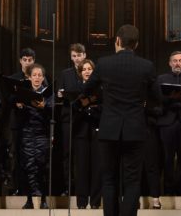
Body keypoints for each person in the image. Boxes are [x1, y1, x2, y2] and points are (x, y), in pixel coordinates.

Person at [83, 24, 158, 216]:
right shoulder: (146, 66)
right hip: (135, 129)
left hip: (109, 128)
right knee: (132, 181)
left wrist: (105, 96)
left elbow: (87, 90)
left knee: (109, 179)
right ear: (136, 44)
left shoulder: (104, 63)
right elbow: (157, 98)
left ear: (117, 41)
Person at [156, 51, 181, 197]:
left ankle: (180, 187)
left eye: (180, 60)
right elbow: (157, 99)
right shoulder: (161, 79)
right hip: (167, 121)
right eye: (174, 61)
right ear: (170, 63)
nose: (177, 63)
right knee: (167, 157)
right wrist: (170, 98)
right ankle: (169, 190)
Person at [18, 63, 52, 209]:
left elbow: (53, 113)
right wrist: (19, 106)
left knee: (41, 166)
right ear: (29, 77)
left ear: (43, 78)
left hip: (41, 134)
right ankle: (29, 199)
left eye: (39, 75)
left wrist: (45, 107)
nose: (37, 78)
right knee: (28, 167)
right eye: (34, 75)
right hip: (27, 133)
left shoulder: (48, 93)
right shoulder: (23, 92)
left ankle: (43, 199)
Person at [56, 43, 87, 196]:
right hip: (69, 117)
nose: (77, 59)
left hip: (86, 118)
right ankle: (68, 187)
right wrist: (61, 94)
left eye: (79, 55)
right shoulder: (65, 73)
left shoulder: (89, 71)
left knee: (83, 155)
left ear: (84, 55)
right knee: (67, 154)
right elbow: (59, 93)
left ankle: (83, 188)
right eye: (74, 56)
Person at [7, 48, 37, 196]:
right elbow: (7, 98)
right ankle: (17, 187)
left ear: (34, 61)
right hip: (17, 122)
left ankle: (33, 188)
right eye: (24, 60)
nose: (27, 63)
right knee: (16, 155)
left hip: (33, 122)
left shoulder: (38, 77)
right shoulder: (13, 78)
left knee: (32, 157)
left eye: (30, 60)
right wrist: (16, 102)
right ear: (20, 61)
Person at [74, 59, 102, 209]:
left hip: (97, 130)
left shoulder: (100, 89)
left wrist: (91, 108)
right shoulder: (77, 89)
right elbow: (73, 109)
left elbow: (104, 108)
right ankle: (81, 203)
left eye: (89, 69)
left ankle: (96, 203)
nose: (86, 71)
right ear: (80, 73)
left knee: (97, 168)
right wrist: (83, 107)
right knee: (82, 168)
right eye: (84, 69)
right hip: (81, 132)